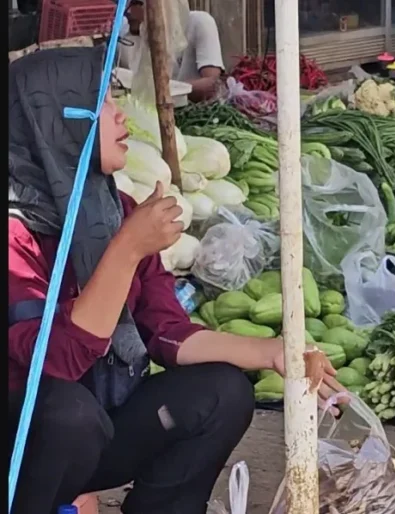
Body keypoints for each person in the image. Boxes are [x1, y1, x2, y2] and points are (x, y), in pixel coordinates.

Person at [8, 47, 341, 514]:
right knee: (69, 414)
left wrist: (273, 352)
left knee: (222, 393)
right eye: (103, 101)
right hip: (23, 448)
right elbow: (56, 363)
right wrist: (126, 250)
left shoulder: (113, 210)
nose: (120, 115)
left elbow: (167, 332)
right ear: (54, 121)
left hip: (97, 429)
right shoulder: (14, 235)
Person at [118, 0, 224, 102]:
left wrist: (157, 91)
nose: (127, 11)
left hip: (192, 113)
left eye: (135, 3)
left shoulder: (199, 22)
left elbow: (211, 85)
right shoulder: (123, 35)